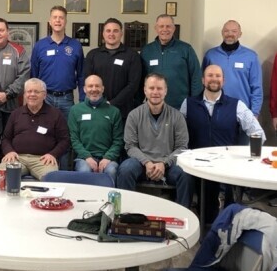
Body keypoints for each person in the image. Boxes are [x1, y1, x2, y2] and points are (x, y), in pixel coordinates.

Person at [180, 64, 265, 222]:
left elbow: (258, 132)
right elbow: (177, 132)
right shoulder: (188, 104)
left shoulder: (236, 105)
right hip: (199, 165)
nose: (214, 79)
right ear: (203, 80)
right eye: (210, 75)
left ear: (223, 81)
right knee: (207, 216)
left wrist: (251, 156)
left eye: (218, 76)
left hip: (227, 166)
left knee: (230, 215)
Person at [117, 73, 191, 208]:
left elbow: (182, 147)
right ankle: (124, 215)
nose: (155, 92)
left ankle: (184, 217)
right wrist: (147, 162)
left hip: (168, 165)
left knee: (185, 175)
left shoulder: (177, 116)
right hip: (141, 163)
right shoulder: (134, 115)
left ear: (166, 91)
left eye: (159, 88)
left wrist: (164, 163)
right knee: (125, 169)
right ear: (145, 90)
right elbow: (130, 146)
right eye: (151, 88)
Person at [0, 78, 69, 180]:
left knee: (52, 178)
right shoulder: (16, 113)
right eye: (29, 91)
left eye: (36, 91)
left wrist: (53, 154)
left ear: (44, 95)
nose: (32, 94)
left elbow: (64, 140)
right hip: (17, 158)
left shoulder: (55, 114)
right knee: (2, 173)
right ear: (24, 95)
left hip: (43, 160)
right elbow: (6, 138)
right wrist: (9, 151)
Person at [30, 5, 84, 120]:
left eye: (61, 17)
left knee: (68, 132)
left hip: (67, 98)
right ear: (50, 21)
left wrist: (83, 100)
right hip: (44, 97)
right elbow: (33, 76)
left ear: (66, 21)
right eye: (55, 17)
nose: (58, 20)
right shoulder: (40, 45)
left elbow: (81, 75)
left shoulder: (75, 46)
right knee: (43, 131)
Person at [67, 75, 124, 184]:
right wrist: (87, 157)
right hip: (83, 159)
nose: (94, 89)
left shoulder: (114, 111)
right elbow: (74, 139)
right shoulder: (75, 110)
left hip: (108, 159)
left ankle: (109, 200)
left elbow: (118, 140)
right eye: (90, 86)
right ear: (84, 89)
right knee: (84, 171)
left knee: (111, 171)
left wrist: (108, 157)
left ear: (102, 89)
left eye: (97, 86)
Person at [83, 17, 142, 121]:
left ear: (121, 33)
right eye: (108, 31)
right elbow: (88, 81)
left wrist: (112, 103)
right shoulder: (93, 55)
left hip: (123, 111)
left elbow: (133, 85)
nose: (111, 34)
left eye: (115, 31)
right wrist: (101, 102)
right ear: (103, 34)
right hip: (97, 108)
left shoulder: (132, 56)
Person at [202, 20, 262, 117]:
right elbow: (203, 83)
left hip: (242, 111)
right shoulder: (210, 55)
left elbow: (256, 88)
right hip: (215, 110)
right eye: (226, 31)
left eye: (234, 31)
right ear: (222, 33)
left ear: (240, 34)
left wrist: (255, 113)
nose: (229, 34)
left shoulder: (251, 56)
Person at [141, 14, 201, 109]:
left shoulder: (186, 49)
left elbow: (196, 76)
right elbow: (141, 79)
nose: (165, 29)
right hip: (153, 106)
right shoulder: (147, 51)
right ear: (156, 28)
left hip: (181, 106)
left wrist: (195, 102)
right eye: (161, 26)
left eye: (168, 26)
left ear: (174, 28)